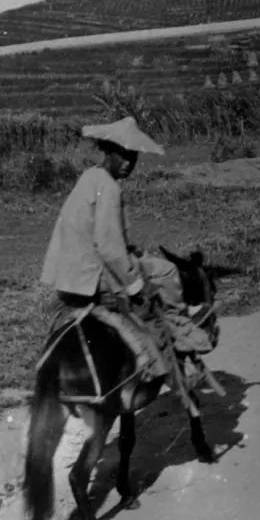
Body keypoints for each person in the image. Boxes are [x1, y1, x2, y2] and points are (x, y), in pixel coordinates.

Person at [41, 116, 173, 384]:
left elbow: (98, 234)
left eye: (132, 157)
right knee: (155, 292)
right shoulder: (110, 188)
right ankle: (161, 366)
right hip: (92, 277)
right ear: (108, 151)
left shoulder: (90, 176)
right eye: (122, 155)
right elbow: (109, 247)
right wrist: (135, 287)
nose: (128, 163)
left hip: (69, 275)